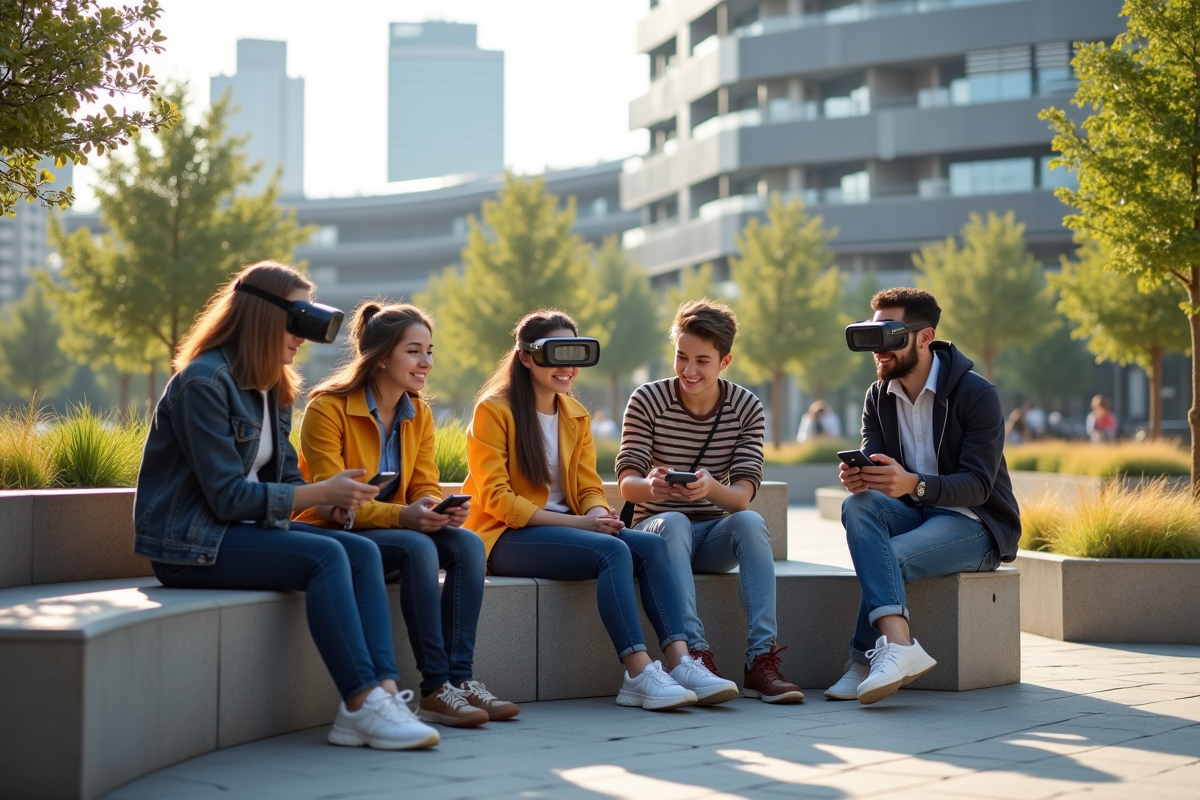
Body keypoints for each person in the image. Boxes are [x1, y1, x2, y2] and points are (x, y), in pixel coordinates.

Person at [133, 262, 439, 750]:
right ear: (260, 315)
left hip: (251, 533)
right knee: (328, 556)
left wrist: (337, 506)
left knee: (359, 551)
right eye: (298, 320)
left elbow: (287, 478)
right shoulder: (203, 383)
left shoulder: (272, 385)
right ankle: (360, 702)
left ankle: (381, 694)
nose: (303, 336)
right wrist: (323, 493)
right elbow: (229, 498)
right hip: (192, 546)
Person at [462, 309, 738, 709]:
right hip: (504, 537)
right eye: (557, 355)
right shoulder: (494, 410)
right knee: (613, 551)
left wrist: (595, 512)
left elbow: (590, 486)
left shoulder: (575, 415)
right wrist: (582, 524)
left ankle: (681, 661)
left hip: (569, 530)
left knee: (653, 548)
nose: (568, 368)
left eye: (575, 355)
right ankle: (638, 672)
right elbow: (497, 500)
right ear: (525, 357)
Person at [297, 301, 517, 728]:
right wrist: (406, 518)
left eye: (430, 351)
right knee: (417, 547)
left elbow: (425, 486)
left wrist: (436, 509)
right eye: (414, 351)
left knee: (468, 543)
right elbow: (330, 502)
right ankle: (435, 687)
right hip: (335, 531)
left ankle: (461, 680)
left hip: (392, 527)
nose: (426, 362)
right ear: (381, 358)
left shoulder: (419, 413)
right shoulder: (327, 409)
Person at [829, 287, 1020, 706]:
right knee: (857, 505)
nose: (878, 349)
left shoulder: (977, 394)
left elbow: (978, 485)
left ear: (924, 337)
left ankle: (863, 661)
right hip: (915, 513)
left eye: (890, 335)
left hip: (975, 523)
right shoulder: (877, 396)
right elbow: (879, 466)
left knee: (890, 555)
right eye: (873, 335)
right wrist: (864, 477)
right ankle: (899, 647)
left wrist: (913, 484)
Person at [618, 299, 803, 704]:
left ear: (725, 361)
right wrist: (654, 488)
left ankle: (760, 661)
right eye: (681, 357)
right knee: (676, 522)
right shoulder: (647, 399)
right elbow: (627, 485)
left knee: (751, 523)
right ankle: (695, 656)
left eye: (702, 360)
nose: (688, 370)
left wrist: (709, 489)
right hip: (657, 536)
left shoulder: (746, 407)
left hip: (712, 536)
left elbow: (740, 497)